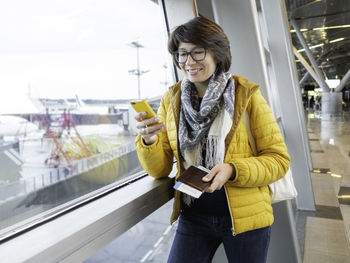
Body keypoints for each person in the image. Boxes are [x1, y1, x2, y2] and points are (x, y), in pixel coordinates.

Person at [134, 16, 290, 263]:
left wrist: (233, 169)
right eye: (182, 54)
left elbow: (279, 160)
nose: (188, 62)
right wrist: (150, 140)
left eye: (197, 52)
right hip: (193, 215)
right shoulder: (171, 100)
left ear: (217, 53)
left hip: (245, 218)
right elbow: (160, 169)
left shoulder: (245, 95)